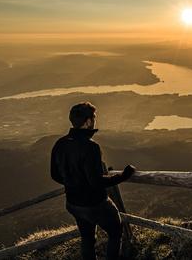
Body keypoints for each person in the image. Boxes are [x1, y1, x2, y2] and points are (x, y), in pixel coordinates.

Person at [50, 102, 136, 260]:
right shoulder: (91, 147)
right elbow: (96, 182)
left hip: (73, 203)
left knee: (87, 238)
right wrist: (124, 175)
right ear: (88, 122)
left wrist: (74, 183)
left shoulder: (60, 144)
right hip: (94, 203)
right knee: (116, 231)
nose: (95, 121)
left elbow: (54, 175)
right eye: (94, 118)